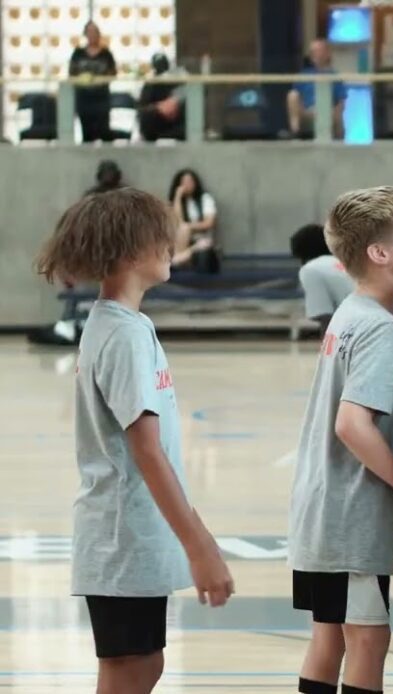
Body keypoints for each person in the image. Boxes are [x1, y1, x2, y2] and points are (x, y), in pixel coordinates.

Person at [34, 188, 234, 693]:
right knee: (130, 671)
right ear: (127, 252)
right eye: (160, 237)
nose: (171, 244)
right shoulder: (121, 334)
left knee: (145, 666)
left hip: (134, 535)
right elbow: (146, 449)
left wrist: (195, 531)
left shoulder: (126, 325)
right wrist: (200, 546)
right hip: (121, 537)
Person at [289, 187, 393, 694]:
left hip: (330, 506)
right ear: (379, 252)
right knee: (369, 640)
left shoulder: (355, 313)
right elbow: (352, 425)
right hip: (346, 514)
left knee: (330, 638)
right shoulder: (379, 326)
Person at [27, 160, 126, 347]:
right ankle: (71, 323)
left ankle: (76, 324)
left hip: (116, 251)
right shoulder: (90, 197)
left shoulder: (125, 196)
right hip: (92, 250)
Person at [287, 39, 347, 139]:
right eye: (313, 52)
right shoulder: (304, 74)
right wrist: (306, 112)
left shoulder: (334, 76)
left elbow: (341, 101)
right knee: (292, 95)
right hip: (307, 110)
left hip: (327, 110)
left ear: (327, 54)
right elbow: (296, 96)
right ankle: (295, 133)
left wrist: (333, 113)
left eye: (318, 51)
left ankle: (339, 139)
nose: (315, 54)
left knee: (336, 113)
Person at [69, 21, 116, 142]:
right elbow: (72, 73)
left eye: (95, 32)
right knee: (87, 134)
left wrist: (98, 79)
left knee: (104, 132)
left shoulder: (106, 54)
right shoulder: (78, 54)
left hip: (101, 98)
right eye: (89, 32)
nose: (92, 35)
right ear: (85, 34)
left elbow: (113, 73)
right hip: (84, 98)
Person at [167, 169, 217, 269]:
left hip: (200, 238)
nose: (187, 185)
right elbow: (177, 222)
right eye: (184, 182)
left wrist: (188, 226)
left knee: (185, 229)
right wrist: (178, 196)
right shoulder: (177, 202)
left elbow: (209, 223)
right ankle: (178, 260)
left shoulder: (205, 199)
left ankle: (176, 260)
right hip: (180, 241)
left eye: (190, 181)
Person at [137, 53, 185, 142]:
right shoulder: (150, 85)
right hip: (155, 132)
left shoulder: (178, 83)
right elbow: (142, 112)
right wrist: (158, 108)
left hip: (178, 132)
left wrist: (175, 102)